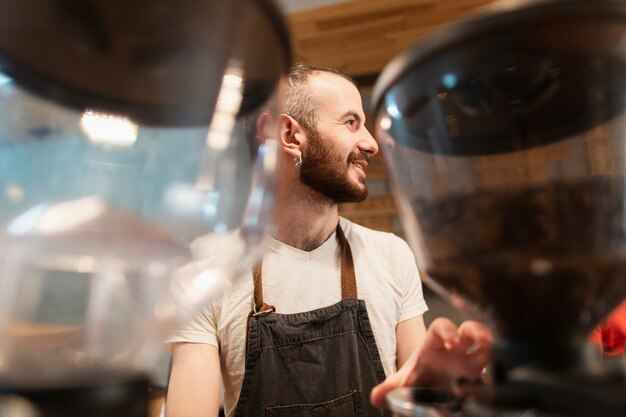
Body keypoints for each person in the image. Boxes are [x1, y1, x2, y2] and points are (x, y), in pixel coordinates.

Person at [165, 64, 492, 417]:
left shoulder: (391, 255)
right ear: (289, 135)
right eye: (351, 122)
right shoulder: (205, 272)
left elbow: (415, 401)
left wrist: (443, 394)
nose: (370, 144)